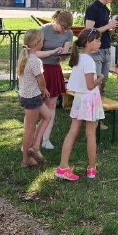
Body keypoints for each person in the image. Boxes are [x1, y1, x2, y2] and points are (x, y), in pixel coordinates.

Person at [57, 28, 105, 181]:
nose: (100, 42)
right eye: (97, 40)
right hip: (90, 99)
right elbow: (91, 86)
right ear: (89, 43)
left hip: (78, 99)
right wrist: (101, 78)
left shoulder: (79, 58)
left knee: (72, 132)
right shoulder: (89, 61)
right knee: (90, 134)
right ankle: (91, 167)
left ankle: (62, 166)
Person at [17, 29, 56, 168]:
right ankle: (25, 160)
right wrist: (44, 90)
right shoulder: (35, 61)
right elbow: (41, 81)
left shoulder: (24, 56)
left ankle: (35, 147)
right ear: (38, 43)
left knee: (47, 116)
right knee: (29, 128)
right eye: (43, 40)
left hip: (26, 95)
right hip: (32, 97)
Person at [84, 0, 118, 129]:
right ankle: (93, 119)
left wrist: (116, 30)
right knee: (94, 86)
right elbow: (89, 31)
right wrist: (108, 26)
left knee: (101, 84)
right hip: (96, 52)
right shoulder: (92, 8)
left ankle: (96, 117)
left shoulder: (106, 9)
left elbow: (104, 31)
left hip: (106, 49)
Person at [37, 10, 73, 150]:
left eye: (66, 28)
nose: (64, 30)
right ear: (56, 21)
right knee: (37, 104)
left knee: (51, 104)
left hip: (54, 69)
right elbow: (35, 53)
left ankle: (46, 138)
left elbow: (64, 52)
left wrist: (63, 56)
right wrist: (51, 52)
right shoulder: (43, 30)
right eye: (62, 27)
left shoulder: (68, 33)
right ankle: (34, 135)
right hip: (40, 69)